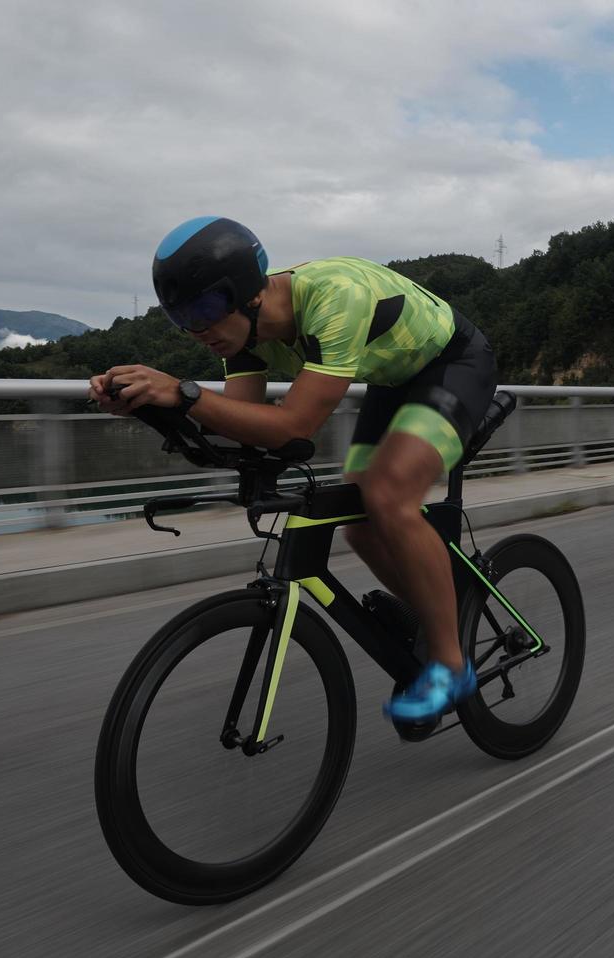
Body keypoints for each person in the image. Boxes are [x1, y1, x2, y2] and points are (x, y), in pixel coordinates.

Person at [88, 216, 498, 726]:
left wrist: (182, 391)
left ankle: (450, 663)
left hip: (453, 362)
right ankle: (445, 615)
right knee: (358, 525)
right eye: (182, 319)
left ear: (246, 293)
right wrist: (151, 408)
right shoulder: (241, 337)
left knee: (389, 495)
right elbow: (241, 428)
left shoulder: (333, 299)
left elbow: (294, 425)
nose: (198, 331)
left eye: (204, 310)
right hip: (392, 380)